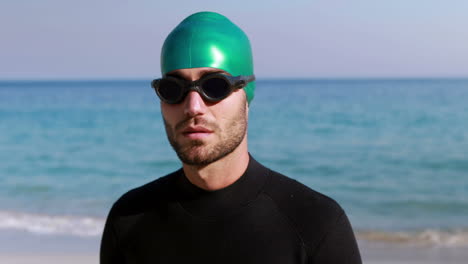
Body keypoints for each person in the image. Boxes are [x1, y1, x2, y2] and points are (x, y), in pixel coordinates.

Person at [100, 11, 362, 264]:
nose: (193, 106)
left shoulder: (316, 225)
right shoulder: (128, 220)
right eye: (173, 89)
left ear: (246, 96)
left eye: (214, 86)